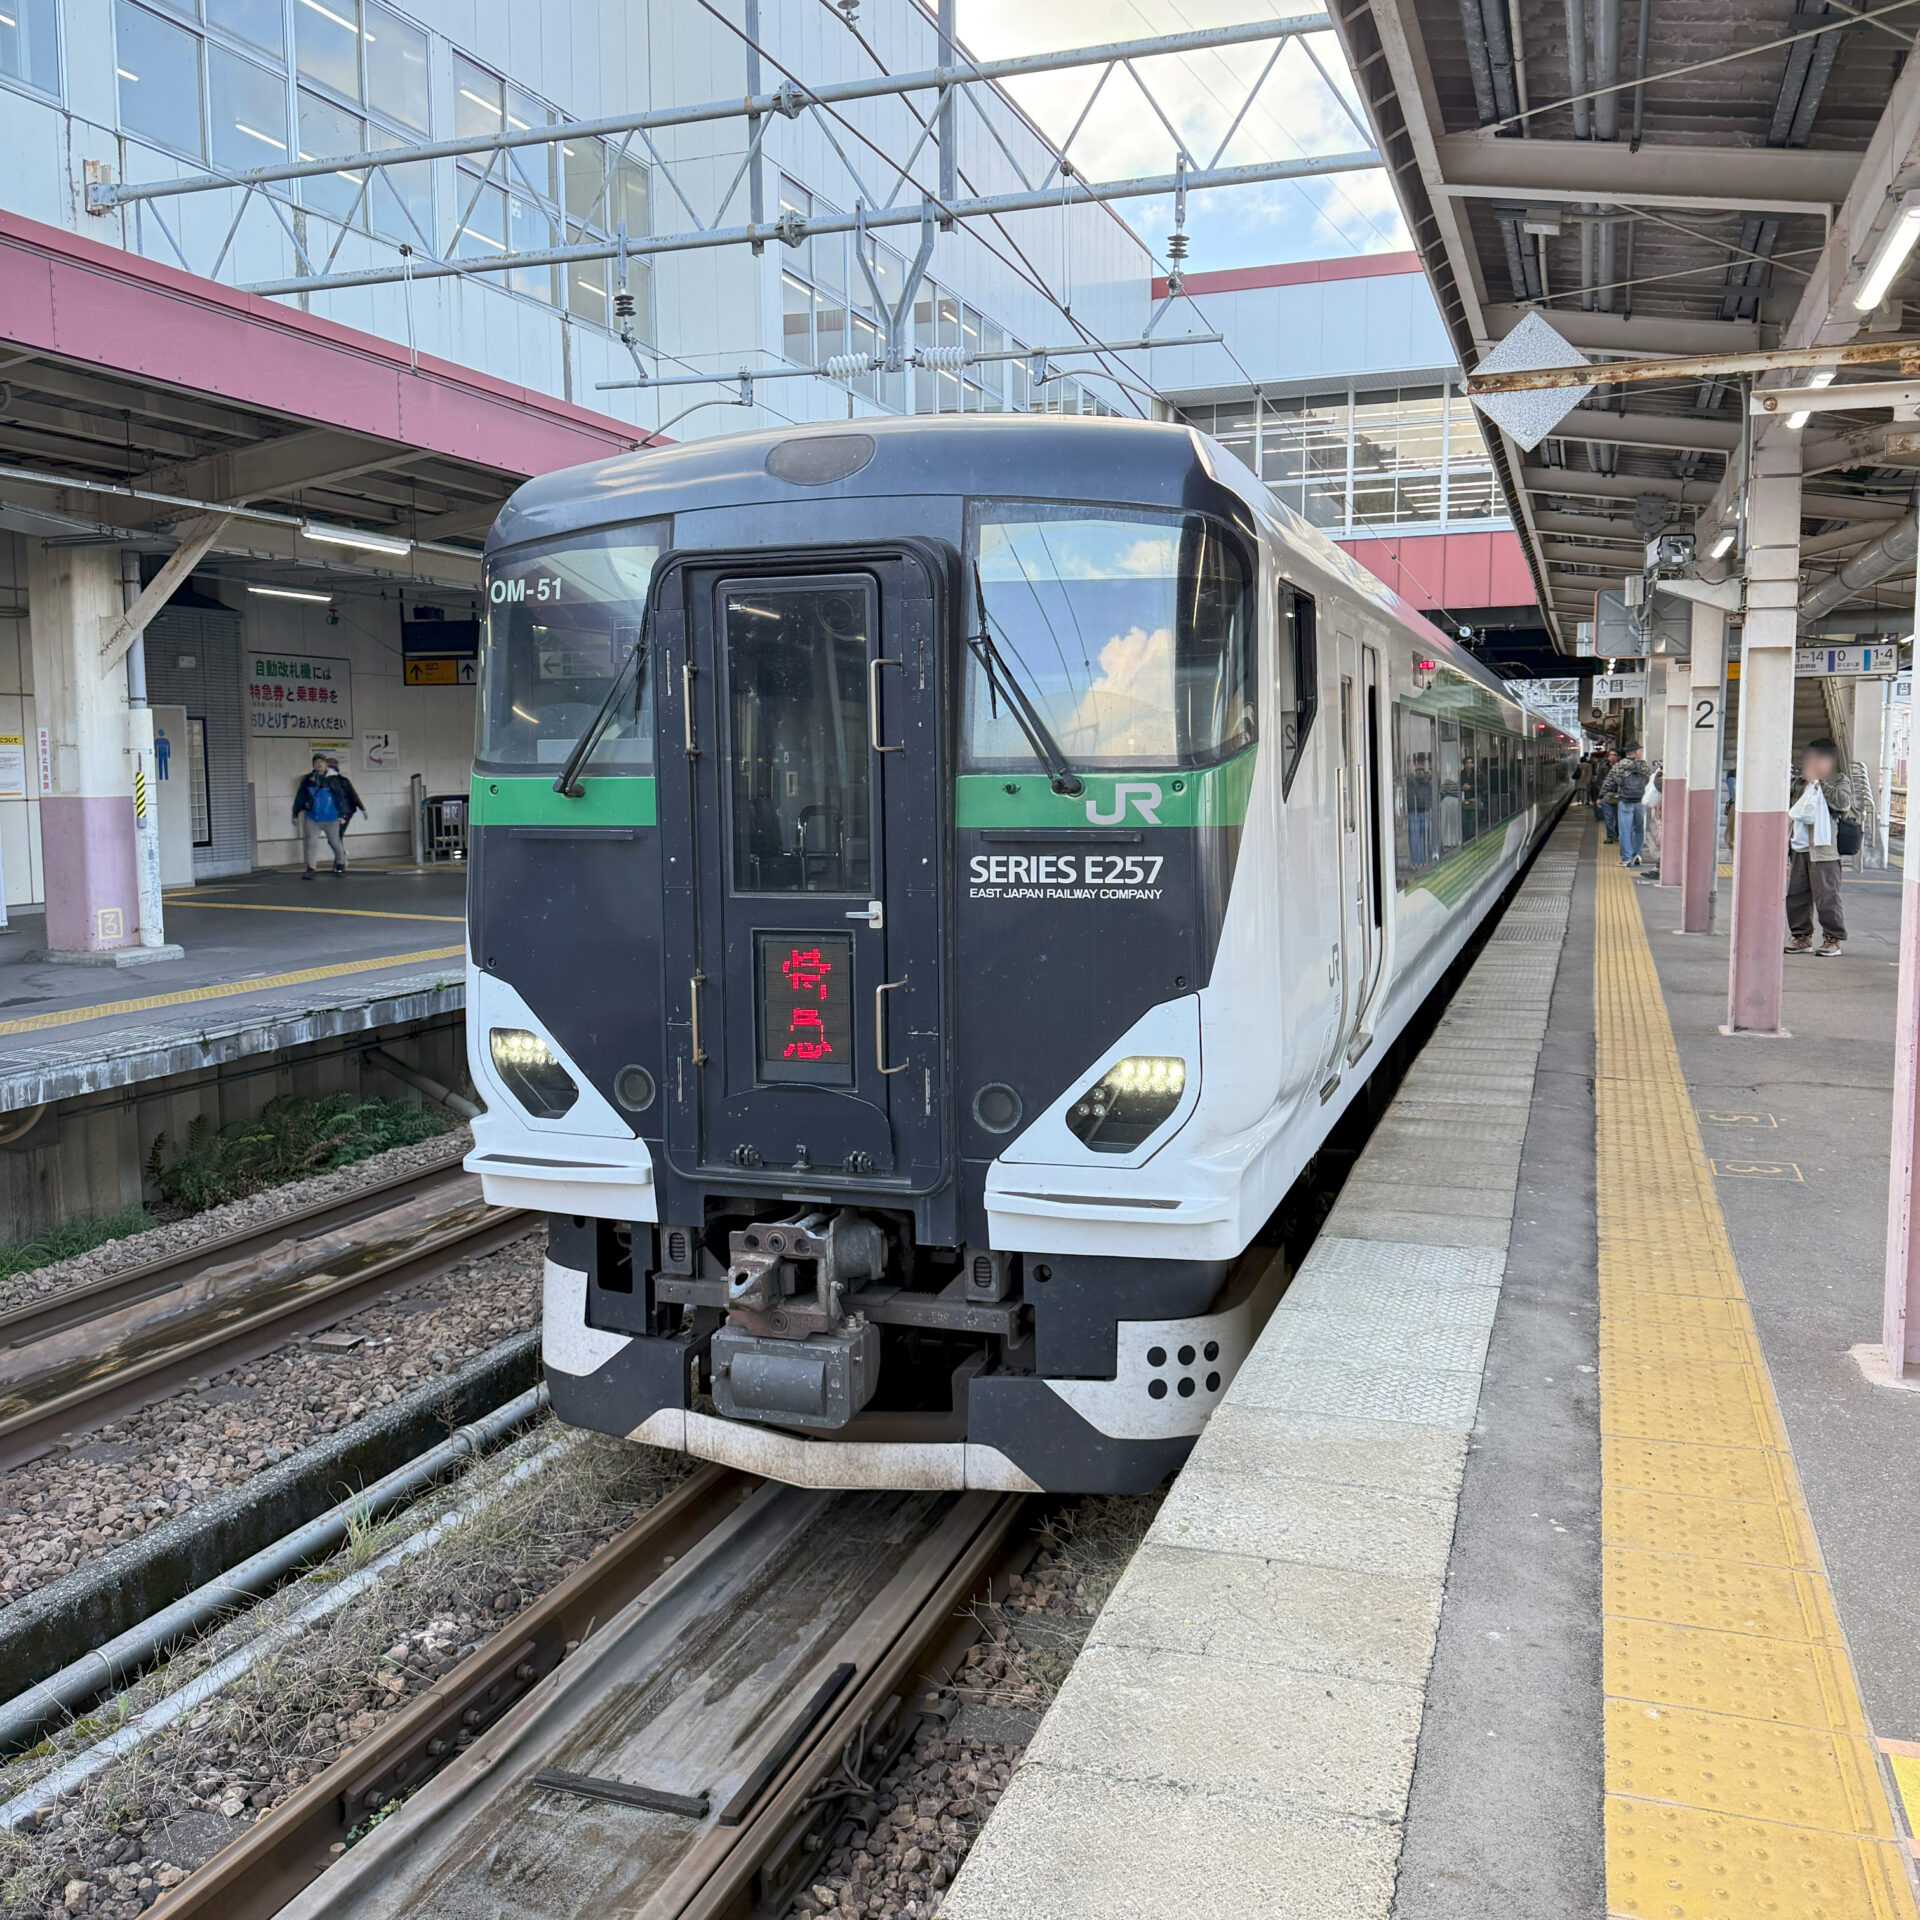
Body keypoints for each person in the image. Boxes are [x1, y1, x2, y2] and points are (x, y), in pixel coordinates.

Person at [1785, 736, 1854, 958]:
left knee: (1827, 897)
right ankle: (1801, 937)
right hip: (1798, 848)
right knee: (1796, 896)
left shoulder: (1837, 780)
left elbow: (1843, 803)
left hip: (1824, 850)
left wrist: (1820, 782)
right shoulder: (1800, 782)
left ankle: (1832, 939)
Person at [293, 753, 351, 879]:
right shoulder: (308, 780)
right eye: (316, 762)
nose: (319, 765)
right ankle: (311, 868)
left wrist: (343, 815)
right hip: (312, 817)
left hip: (331, 817)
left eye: (322, 762)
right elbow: (300, 796)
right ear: (313, 765)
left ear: (326, 764)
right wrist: (295, 813)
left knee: (335, 842)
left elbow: (341, 798)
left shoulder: (334, 779)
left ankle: (341, 863)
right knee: (311, 842)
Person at [1601, 743, 1653, 867]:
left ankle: (1626, 858)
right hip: (1640, 801)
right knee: (1638, 829)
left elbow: (1608, 782)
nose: (1640, 752)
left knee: (1625, 831)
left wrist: (1601, 796)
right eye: (1639, 750)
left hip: (1625, 801)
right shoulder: (1643, 765)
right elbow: (1649, 780)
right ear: (1635, 752)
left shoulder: (1619, 766)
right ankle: (1637, 855)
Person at [324, 755, 368, 842]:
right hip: (346, 812)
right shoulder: (344, 780)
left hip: (341, 813)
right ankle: (342, 854)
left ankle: (342, 855)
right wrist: (362, 809)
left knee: (335, 837)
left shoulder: (328, 781)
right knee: (336, 836)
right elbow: (353, 795)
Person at [1593, 748, 1620, 843]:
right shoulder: (1603, 767)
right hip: (1606, 795)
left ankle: (1617, 834)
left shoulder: (1621, 768)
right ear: (1608, 756)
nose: (1612, 757)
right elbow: (1599, 781)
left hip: (1619, 796)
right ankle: (1610, 836)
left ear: (1618, 757)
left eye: (1614, 755)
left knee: (1618, 818)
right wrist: (1599, 797)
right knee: (1608, 818)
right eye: (1611, 755)